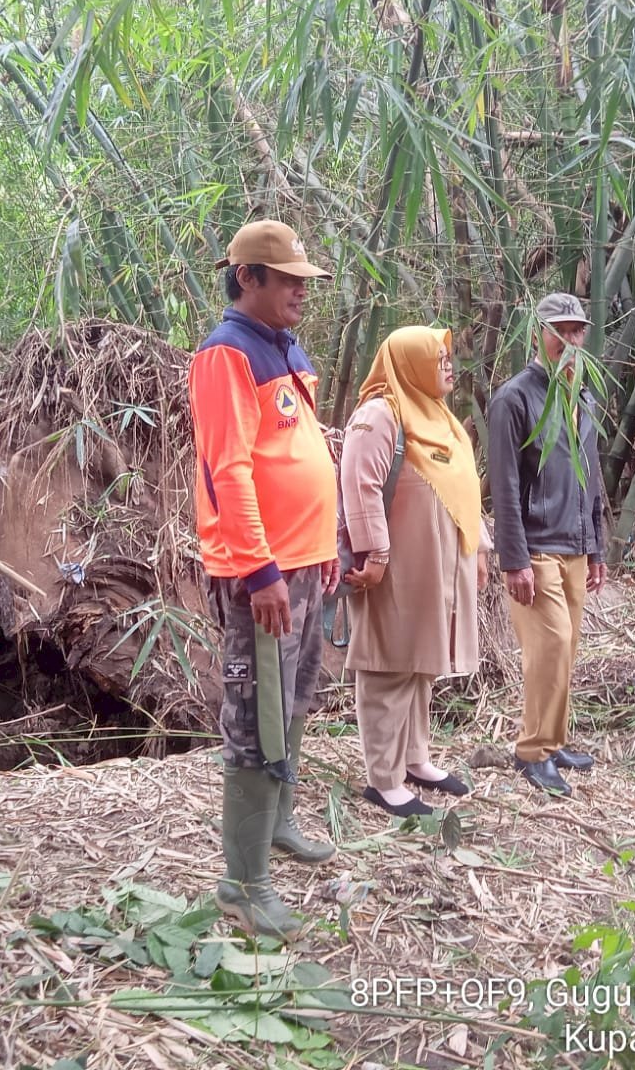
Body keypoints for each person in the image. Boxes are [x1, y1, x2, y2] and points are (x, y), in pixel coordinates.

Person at [189, 218, 340, 940]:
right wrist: (260, 570)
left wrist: (324, 541)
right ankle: (242, 885)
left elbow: (298, 449)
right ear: (247, 277)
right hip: (263, 572)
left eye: (303, 283)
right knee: (258, 718)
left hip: (304, 560)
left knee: (295, 697)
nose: (299, 293)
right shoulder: (226, 354)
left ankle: (279, 822)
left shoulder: (283, 346)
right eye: (287, 281)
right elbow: (230, 469)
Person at [340, 327, 488, 817]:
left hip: (438, 567)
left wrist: (480, 547)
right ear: (409, 362)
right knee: (389, 664)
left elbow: (465, 490)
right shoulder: (380, 415)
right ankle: (383, 778)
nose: (448, 366)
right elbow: (359, 486)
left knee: (422, 662)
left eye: (448, 357)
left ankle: (415, 758)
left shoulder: (438, 416)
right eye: (438, 357)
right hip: (396, 567)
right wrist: (375, 556)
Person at [487, 293, 607, 797]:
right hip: (536, 547)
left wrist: (597, 546)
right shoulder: (515, 398)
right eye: (562, 330)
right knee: (550, 646)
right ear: (540, 332)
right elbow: (505, 485)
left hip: (575, 543)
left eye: (578, 330)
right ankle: (531, 750)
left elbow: (592, 475)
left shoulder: (582, 396)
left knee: (567, 648)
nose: (572, 340)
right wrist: (513, 559)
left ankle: (553, 741)